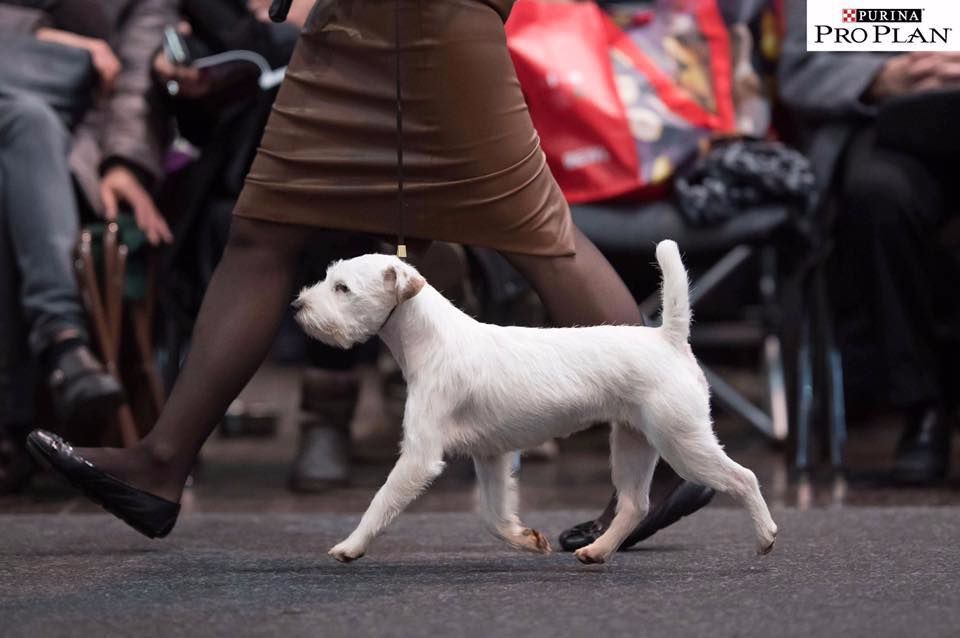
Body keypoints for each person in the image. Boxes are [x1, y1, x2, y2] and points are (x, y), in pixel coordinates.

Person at [27, 0, 712, 547]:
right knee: (263, 230)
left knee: (537, 234)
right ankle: (162, 462)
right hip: (351, 28)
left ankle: (669, 443)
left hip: (429, 27)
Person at [780, 0, 959, 483]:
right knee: (879, 195)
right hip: (884, 128)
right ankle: (922, 411)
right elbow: (800, 69)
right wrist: (881, 76)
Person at [0, 0, 175, 491]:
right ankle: (64, 347)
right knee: (31, 116)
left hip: (66, 138)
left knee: (27, 126)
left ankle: (21, 418)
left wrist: (123, 161)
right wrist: (46, 37)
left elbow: (136, 73)